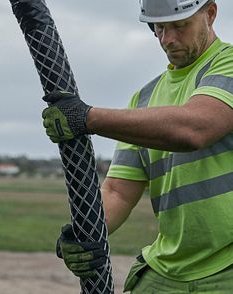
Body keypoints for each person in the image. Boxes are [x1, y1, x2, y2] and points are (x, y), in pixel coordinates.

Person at [41, 0, 233, 292]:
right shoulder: (144, 100)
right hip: (167, 268)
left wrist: (88, 118)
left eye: (180, 25)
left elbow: (196, 128)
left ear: (210, 13)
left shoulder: (228, 64)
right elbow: (118, 190)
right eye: (158, 28)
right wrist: (85, 231)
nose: (167, 39)